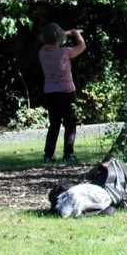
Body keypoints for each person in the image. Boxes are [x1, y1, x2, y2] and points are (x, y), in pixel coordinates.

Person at [38, 22, 86, 164]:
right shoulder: (65, 52)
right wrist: (76, 33)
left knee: (54, 124)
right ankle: (68, 154)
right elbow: (82, 46)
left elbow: (50, 39)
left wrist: (63, 32)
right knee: (70, 123)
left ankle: (48, 155)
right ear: (58, 38)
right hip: (67, 91)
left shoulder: (42, 52)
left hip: (50, 92)